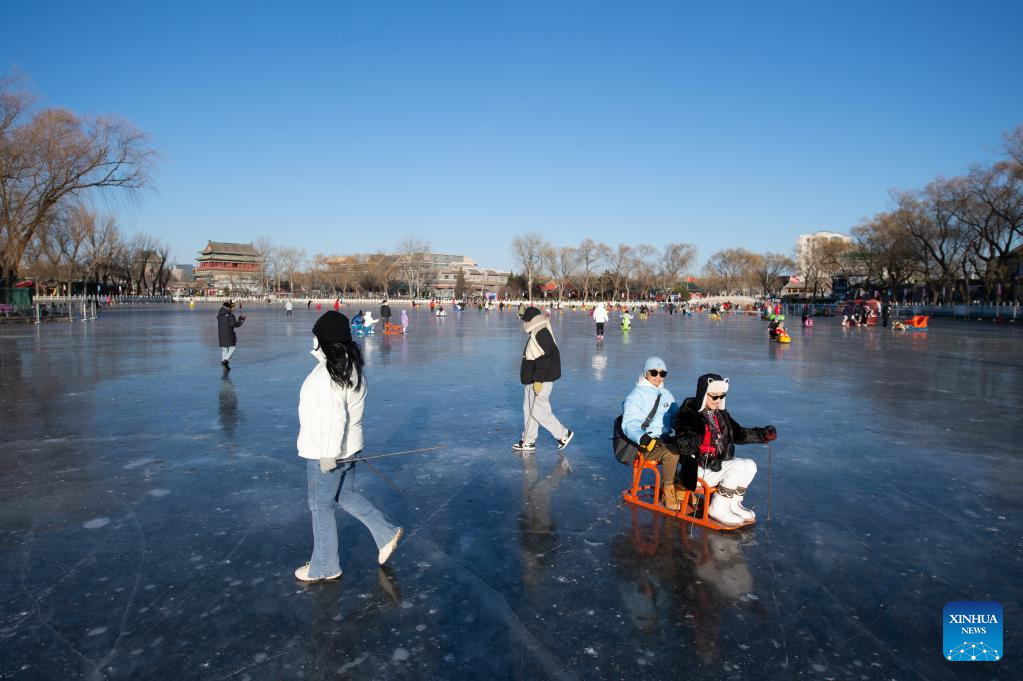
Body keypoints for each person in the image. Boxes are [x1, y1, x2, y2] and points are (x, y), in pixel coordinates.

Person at [294, 311, 403, 582]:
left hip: (329, 451)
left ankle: (325, 566)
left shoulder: (330, 375)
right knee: (345, 495)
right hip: (349, 447)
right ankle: (385, 533)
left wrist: (329, 453)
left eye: (317, 336)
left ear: (325, 340)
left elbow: (334, 417)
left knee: (320, 505)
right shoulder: (350, 366)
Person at [673, 374, 777, 526]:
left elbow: (739, 433)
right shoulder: (689, 413)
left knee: (750, 465)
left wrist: (762, 434)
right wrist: (699, 439)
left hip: (717, 465)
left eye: (722, 396)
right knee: (738, 466)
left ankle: (733, 503)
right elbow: (681, 444)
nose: (718, 400)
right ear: (703, 393)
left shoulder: (720, 413)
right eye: (714, 396)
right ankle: (718, 507)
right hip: (697, 469)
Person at [621, 357, 681, 511]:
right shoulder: (636, 396)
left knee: (687, 449)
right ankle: (668, 491)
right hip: (645, 444)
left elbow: (677, 418)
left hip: (664, 439)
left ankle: (681, 487)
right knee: (672, 454)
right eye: (654, 372)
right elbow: (629, 424)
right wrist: (644, 438)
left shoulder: (666, 394)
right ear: (646, 373)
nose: (658, 377)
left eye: (662, 374)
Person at [513, 307, 573, 452]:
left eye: (525, 320)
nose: (524, 323)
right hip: (535, 377)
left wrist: (538, 380)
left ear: (530, 320)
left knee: (538, 410)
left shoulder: (541, 333)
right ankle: (528, 440)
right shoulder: (538, 330)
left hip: (540, 379)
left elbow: (545, 358)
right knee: (530, 409)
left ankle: (563, 434)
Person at [217, 300, 245, 371]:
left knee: (224, 350)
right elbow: (234, 325)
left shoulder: (219, 315)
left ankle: (225, 367)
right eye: (231, 307)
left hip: (221, 335)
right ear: (229, 308)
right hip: (229, 334)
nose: (232, 309)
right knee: (232, 348)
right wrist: (241, 320)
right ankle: (225, 361)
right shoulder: (230, 315)